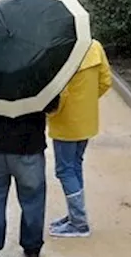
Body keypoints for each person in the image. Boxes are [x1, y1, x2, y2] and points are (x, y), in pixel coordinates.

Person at [0, 95, 61, 257]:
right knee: (32, 199)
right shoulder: (36, 71)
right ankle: (32, 247)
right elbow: (52, 104)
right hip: (29, 145)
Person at [47, 40, 113, 238]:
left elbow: (60, 92)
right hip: (86, 120)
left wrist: (50, 112)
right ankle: (76, 215)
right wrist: (86, 101)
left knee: (64, 170)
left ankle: (79, 222)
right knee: (75, 166)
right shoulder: (95, 47)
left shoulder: (62, 51)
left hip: (66, 122)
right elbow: (105, 81)